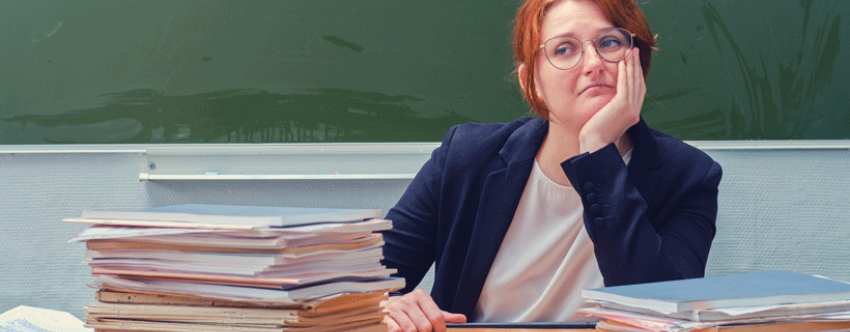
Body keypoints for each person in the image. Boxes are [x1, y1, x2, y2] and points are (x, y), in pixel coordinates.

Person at [380, 0, 722, 331]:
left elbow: (663, 312)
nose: (593, 63)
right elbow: (361, 286)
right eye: (564, 49)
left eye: (610, 43)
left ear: (638, 60)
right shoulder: (467, 157)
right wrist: (386, 305)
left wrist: (598, 155)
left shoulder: (689, 176)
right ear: (534, 83)